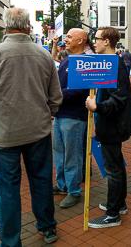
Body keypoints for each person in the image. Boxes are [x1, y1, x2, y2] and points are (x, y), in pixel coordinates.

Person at [0, 7, 63, 245]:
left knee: (8, 187)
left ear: (6, 26)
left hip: (4, 132)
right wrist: (45, 114)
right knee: (41, 180)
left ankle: (11, 241)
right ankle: (47, 227)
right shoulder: (43, 56)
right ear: (28, 25)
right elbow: (56, 98)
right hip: (38, 131)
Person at [86, 27, 131, 228]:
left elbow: (119, 98)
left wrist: (97, 106)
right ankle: (119, 203)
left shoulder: (115, 65)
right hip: (110, 123)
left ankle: (113, 214)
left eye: (97, 39)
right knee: (116, 165)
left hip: (113, 125)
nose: (94, 42)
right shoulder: (108, 63)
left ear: (107, 41)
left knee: (113, 169)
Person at [53, 28, 89, 209]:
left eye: (69, 37)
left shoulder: (84, 61)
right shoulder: (67, 59)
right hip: (60, 114)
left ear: (81, 40)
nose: (65, 39)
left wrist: (53, 95)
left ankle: (73, 191)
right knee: (59, 152)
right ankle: (62, 185)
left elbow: (79, 90)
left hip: (74, 116)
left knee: (72, 155)